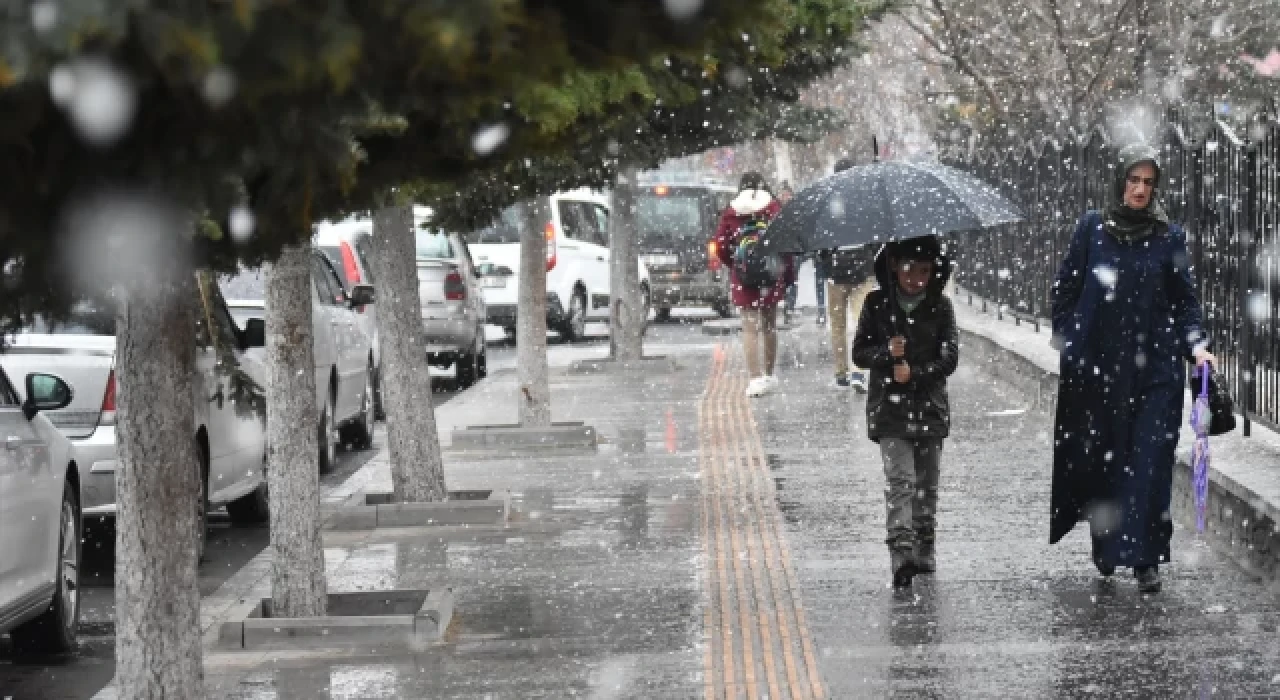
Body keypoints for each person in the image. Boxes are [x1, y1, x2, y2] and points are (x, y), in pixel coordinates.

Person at [1050, 144, 1214, 594]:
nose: (1140, 189)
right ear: (1119, 181)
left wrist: (1197, 346)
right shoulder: (1093, 229)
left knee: (1151, 462)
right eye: (1133, 180)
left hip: (1157, 370)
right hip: (1102, 370)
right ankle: (1107, 546)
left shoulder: (1168, 236)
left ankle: (1146, 557)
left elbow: (1185, 302)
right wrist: (1070, 340)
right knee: (1108, 459)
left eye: (1148, 182)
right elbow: (1064, 288)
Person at [852, 235, 957, 588]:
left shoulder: (940, 306)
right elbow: (860, 353)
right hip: (890, 412)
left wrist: (916, 372)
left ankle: (925, 544)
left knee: (926, 484)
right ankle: (901, 551)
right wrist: (886, 352)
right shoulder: (877, 304)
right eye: (909, 269)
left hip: (929, 409)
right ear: (894, 266)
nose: (916, 279)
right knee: (901, 481)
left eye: (925, 271)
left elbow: (949, 359)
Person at [714, 172, 793, 398]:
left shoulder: (732, 211)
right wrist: (785, 273)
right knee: (769, 326)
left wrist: (736, 265)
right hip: (770, 274)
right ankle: (768, 374)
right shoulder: (773, 208)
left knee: (749, 328)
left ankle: (755, 377)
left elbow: (720, 246)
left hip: (744, 276)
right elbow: (784, 243)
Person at [816, 157, 876, 390]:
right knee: (862, 323)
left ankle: (841, 371)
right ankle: (859, 371)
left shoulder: (828, 202)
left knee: (838, 324)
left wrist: (827, 260)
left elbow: (820, 240)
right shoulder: (865, 201)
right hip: (862, 271)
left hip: (836, 274)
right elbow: (875, 236)